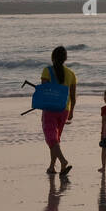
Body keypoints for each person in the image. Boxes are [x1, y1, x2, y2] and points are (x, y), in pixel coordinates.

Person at [40, 46, 76, 177]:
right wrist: (71, 111)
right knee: (55, 139)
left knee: (52, 139)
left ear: (53, 57)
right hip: (64, 110)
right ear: (65, 59)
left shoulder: (47, 71)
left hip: (50, 109)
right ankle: (51, 167)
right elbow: (73, 96)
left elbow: (44, 90)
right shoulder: (71, 74)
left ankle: (63, 161)